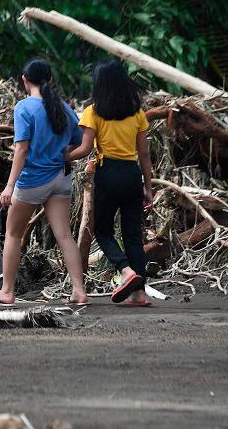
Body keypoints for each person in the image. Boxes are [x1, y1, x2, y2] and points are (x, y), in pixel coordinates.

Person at [0, 58, 88, 306]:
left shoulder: (23, 108)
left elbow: (20, 150)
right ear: (50, 80)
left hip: (32, 181)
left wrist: (9, 186)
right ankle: (79, 291)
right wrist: (62, 154)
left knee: (13, 234)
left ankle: (7, 292)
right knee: (64, 235)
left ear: (24, 80)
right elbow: (79, 140)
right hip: (60, 178)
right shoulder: (63, 107)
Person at [66, 58, 153, 306]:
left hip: (109, 173)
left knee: (103, 231)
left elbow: (84, 149)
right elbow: (144, 154)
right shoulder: (137, 113)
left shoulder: (93, 112)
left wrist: (63, 157)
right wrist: (148, 186)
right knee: (133, 234)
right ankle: (139, 293)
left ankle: (126, 271)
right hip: (132, 174)